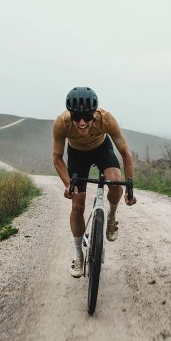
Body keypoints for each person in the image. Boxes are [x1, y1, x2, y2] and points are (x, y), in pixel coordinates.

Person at [53, 86, 136, 278]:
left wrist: (129, 188)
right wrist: (68, 184)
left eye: (87, 117)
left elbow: (125, 153)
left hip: (101, 149)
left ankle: (111, 217)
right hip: (77, 154)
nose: (82, 123)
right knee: (77, 205)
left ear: (95, 114)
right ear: (70, 115)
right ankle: (78, 254)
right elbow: (57, 158)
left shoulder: (106, 118)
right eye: (76, 117)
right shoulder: (62, 123)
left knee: (115, 183)